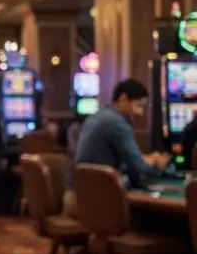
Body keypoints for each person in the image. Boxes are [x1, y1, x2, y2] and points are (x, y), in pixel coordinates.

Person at [63, 79, 170, 217]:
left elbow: (113, 162)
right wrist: (158, 164)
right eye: (138, 105)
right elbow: (139, 169)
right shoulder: (116, 122)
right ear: (123, 99)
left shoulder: (99, 115)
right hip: (88, 203)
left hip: (75, 196)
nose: (140, 112)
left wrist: (144, 160)